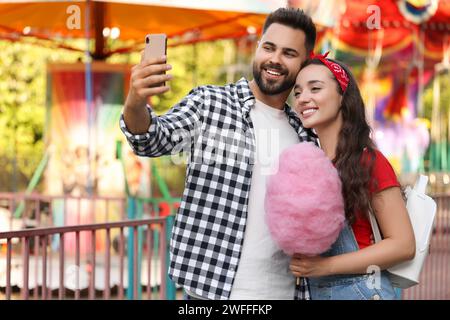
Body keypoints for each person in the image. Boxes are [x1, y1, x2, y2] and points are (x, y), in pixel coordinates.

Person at [120, 8, 317, 300]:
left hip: (285, 293)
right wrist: (135, 103)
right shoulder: (209, 103)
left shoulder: (306, 134)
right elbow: (151, 139)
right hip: (210, 292)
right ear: (258, 47)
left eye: (289, 53)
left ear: (304, 63)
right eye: (269, 47)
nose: (275, 59)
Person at [290, 52, 416, 300]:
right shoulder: (310, 164)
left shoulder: (368, 161)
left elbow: (403, 245)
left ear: (342, 97)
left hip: (362, 291)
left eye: (315, 88)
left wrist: (323, 267)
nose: (303, 99)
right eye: (297, 93)